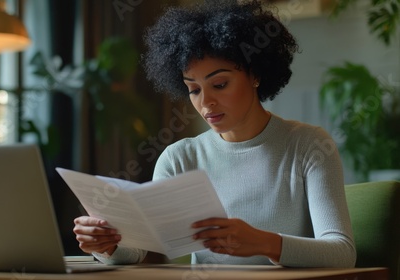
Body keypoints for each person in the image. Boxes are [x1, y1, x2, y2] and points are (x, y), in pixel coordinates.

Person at [73, 0, 356, 267]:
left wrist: (264, 243)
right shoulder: (179, 158)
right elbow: (138, 250)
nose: (205, 102)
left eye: (219, 84)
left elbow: (341, 252)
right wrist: (105, 245)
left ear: (255, 74)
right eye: (193, 89)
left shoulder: (308, 145)